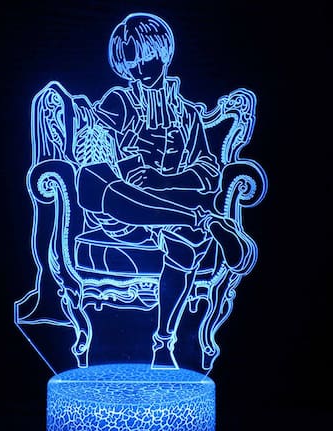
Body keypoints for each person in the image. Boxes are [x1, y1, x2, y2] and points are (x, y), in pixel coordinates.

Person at [76, 13, 254, 369]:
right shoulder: (119, 101)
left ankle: (162, 344)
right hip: (121, 212)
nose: (139, 69)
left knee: (186, 245)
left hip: (167, 209)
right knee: (105, 187)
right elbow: (100, 154)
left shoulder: (187, 115)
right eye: (130, 63)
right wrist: (121, 148)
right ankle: (205, 221)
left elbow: (207, 174)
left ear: (164, 52)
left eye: (146, 58)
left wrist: (161, 181)